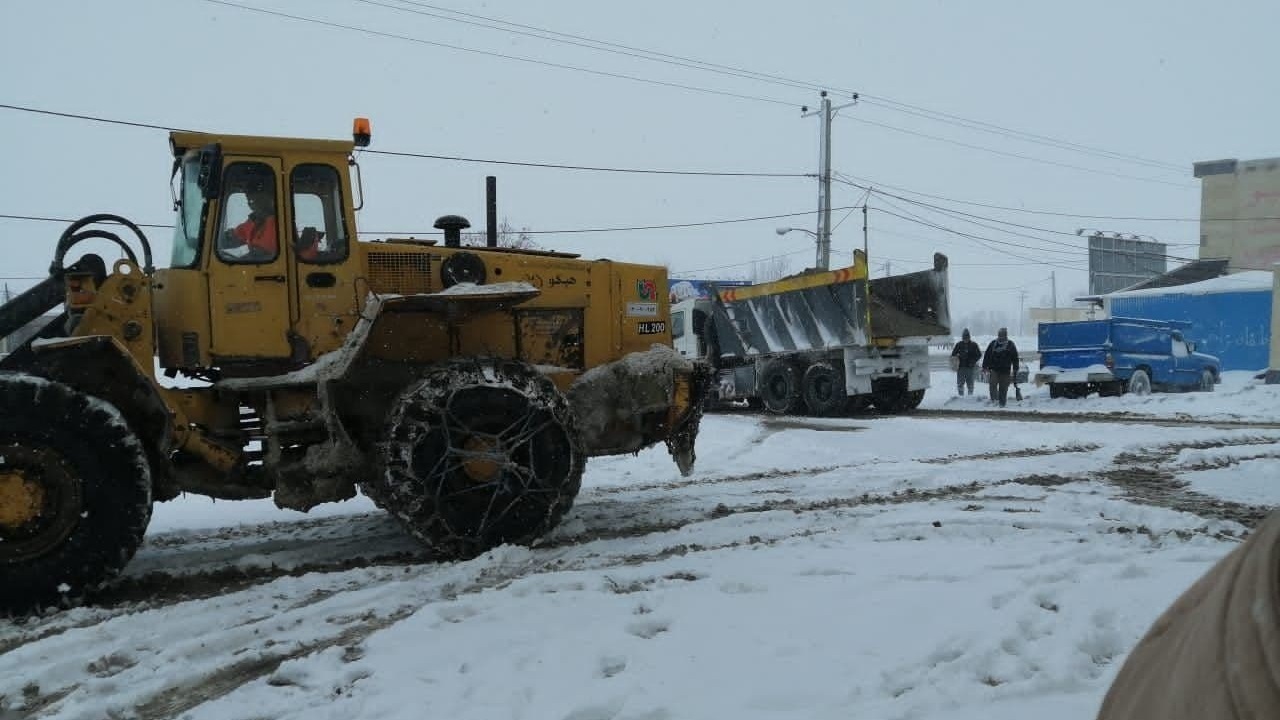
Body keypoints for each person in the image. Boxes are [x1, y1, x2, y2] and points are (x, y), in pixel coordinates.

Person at [222, 188, 278, 259]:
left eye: (256, 200)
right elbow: (236, 236)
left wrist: (251, 258)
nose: (251, 205)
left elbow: (268, 254)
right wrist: (221, 239)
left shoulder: (281, 224)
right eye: (249, 201)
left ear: (269, 199)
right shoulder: (254, 221)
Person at [981, 327, 1019, 407]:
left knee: (1003, 388)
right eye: (1000, 335)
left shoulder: (1010, 345)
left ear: (1005, 336)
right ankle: (994, 401)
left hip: (1005, 371)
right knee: (992, 385)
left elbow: (1015, 358)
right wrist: (984, 366)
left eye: (1002, 336)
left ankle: (1002, 403)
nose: (1001, 337)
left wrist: (1015, 368)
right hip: (994, 369)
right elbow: (987, 355)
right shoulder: (993, 344)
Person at [950, 328, 982, 396]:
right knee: (960, 384)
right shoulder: (959, 345)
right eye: (964, 337)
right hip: (961, 368)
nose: (965, 339)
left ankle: (970, 397)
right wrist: (958, 358)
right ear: (962, 337)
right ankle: (961, 396)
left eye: (967, 337)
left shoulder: (974, 345)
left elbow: (979, 354)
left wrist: (973, 361)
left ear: (969, 337)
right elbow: (953, 355)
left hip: (970, 368)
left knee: (970, 384)